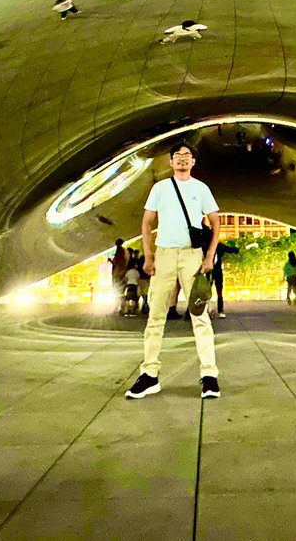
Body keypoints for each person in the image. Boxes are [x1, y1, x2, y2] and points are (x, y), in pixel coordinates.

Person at [126, 142, 221, 400]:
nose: (182, 159)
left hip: (192, 256)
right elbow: (147, 222)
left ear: (193, 162)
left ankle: (209, 376)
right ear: (170, 162)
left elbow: (216, 222)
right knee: (155, 316)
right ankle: (149, 375)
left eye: (187, 155)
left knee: (200, 316)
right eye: (177, 156)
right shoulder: (160, 188)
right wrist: (148, 255)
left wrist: (209, 256)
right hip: (164, 255)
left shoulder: (201, 188)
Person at [210, 241, 239, 316]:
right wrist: (236, 249)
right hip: (214, 272)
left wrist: (236, 250)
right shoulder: (218, 245)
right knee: (216, 292)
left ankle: (217, 310)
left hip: (212, 272)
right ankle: (218, 311)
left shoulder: (211, 245)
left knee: (216, 292)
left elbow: (231, 250)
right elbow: (231, 250)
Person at [108, 238, 127, 307]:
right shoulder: (122, 251)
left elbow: (116, 262)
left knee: (117, 288)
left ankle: (118, 304)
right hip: (120, 271)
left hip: (117, 272)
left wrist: (111, 261)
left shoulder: (119, 251)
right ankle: (120, 304)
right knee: (120, 288)